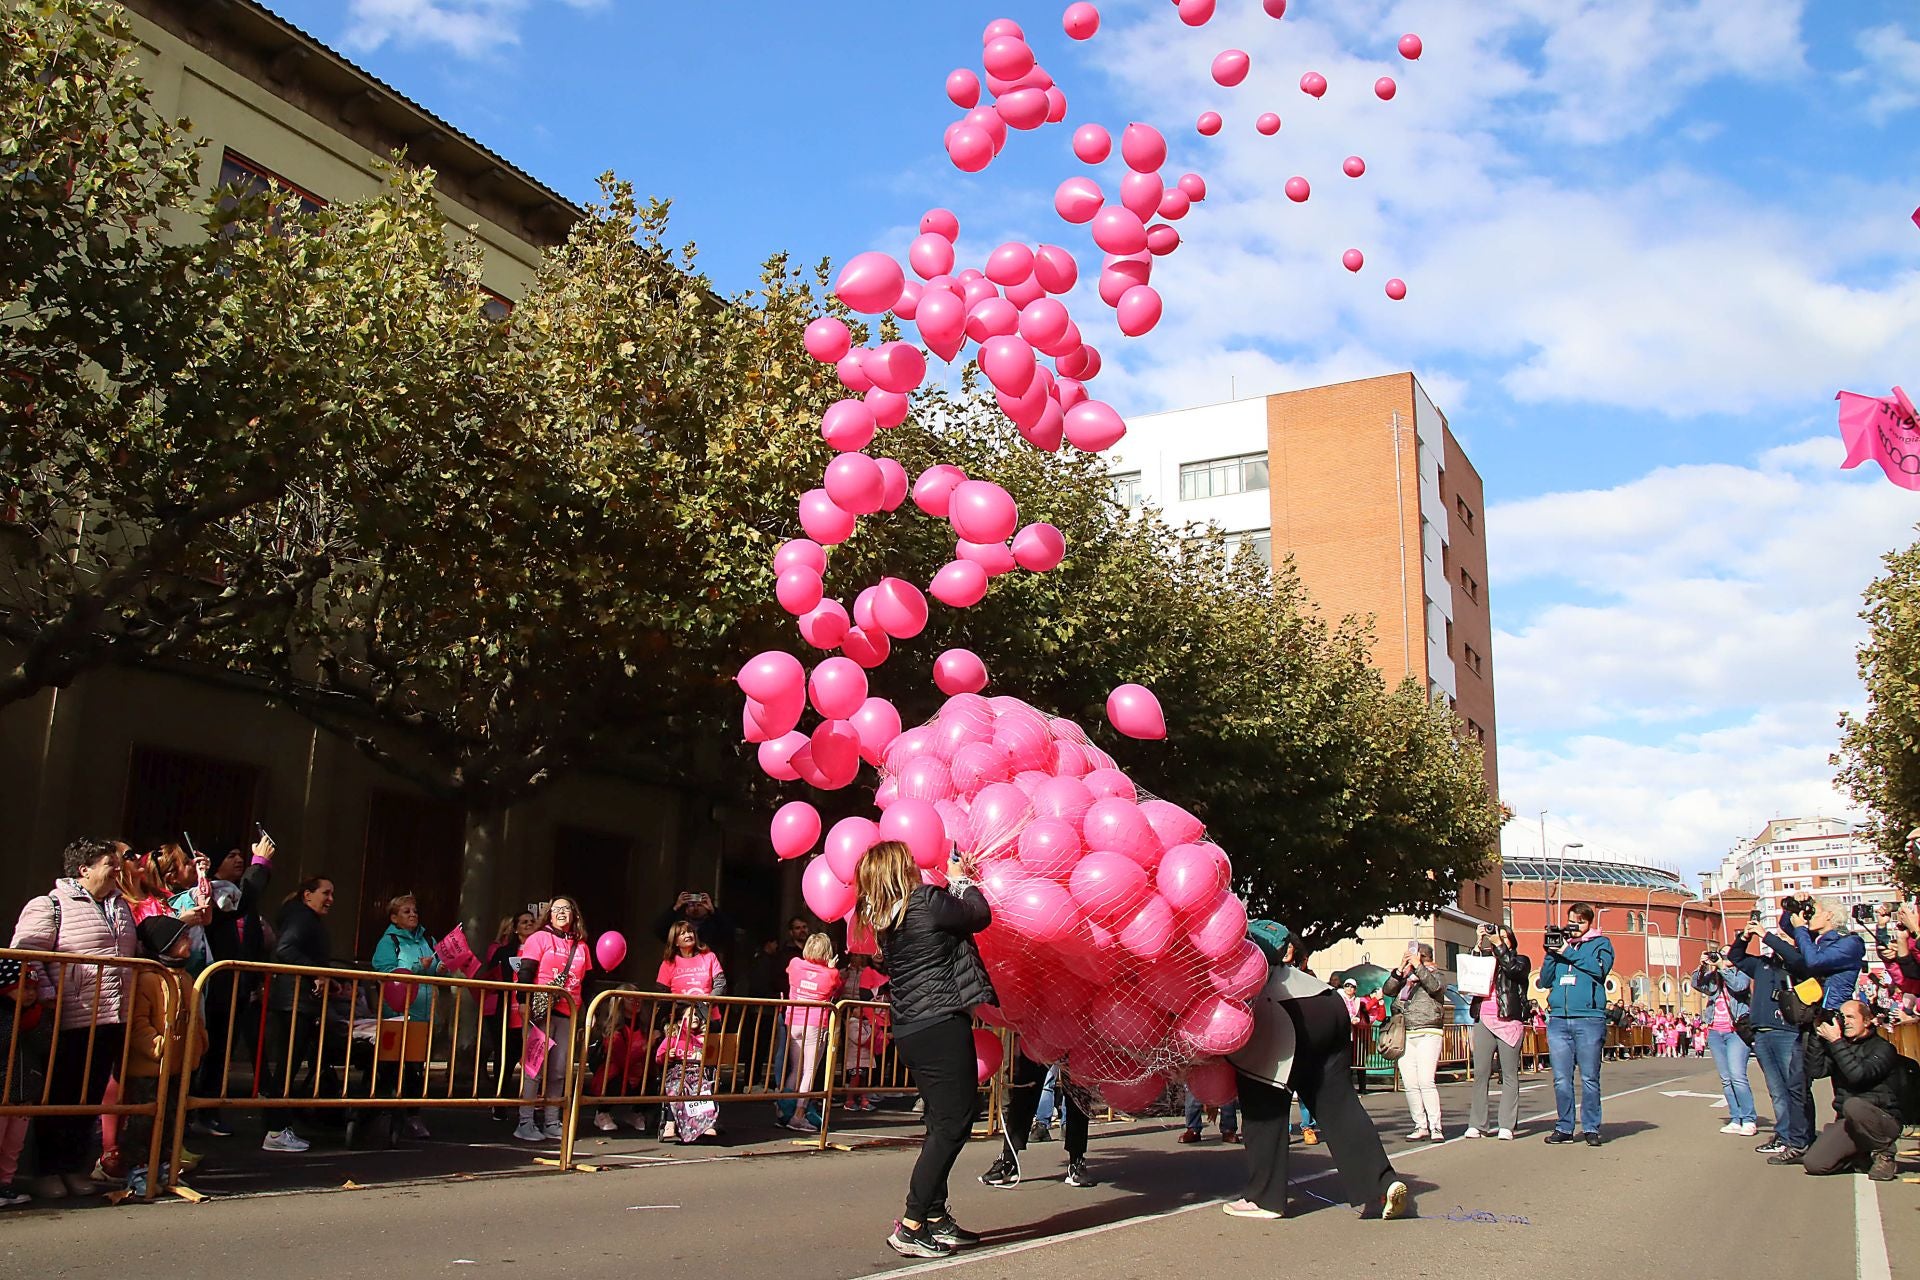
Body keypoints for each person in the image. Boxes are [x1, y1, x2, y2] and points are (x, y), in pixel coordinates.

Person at [856, 840, 995, 1260]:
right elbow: (979, 916)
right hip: (939, 1022)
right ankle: (913, 1223)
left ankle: (935, 1216)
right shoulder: (926, 901)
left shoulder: (887, 917)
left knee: (940, 1121)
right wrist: (960, 880)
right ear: (903, 869)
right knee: (954, 1122)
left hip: (912, 1028)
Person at [1223, 920, 1408, 1221]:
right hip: (1327, 1002)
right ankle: (1381, 1184)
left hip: (1285, 1011)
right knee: (1339, 1105)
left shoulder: (1239, 956)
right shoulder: (1288, 965)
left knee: (1263, 1104)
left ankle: (1264, 1199)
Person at [9, 838, 139, 1196]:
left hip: (112, 1017)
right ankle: (48, 1172)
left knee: (89, 1095)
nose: (117, 870)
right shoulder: (49, 905)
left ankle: (74, 1169)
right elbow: (26, 953)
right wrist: (51, 997)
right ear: (84, 869)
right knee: (59, 1095)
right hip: (67, 1018)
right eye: (109, 864)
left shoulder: (121, 906)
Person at [190, 832, 275, 1126]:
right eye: (231, 856)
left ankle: (208, 1110)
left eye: (241, 855)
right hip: (210, 987)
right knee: (199, 1052)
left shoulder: (242, 899)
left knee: (221, 1053)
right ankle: (188, 1114)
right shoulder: (209, 892)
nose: (238, 860)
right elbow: (242, 901)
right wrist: (260, 863)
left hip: (237, 989)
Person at [121, 915, 207, 1196]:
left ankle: (166, 1168)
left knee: (173, 1118)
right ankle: (139, 1170)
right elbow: (138, 1024)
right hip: (150, 1066)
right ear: (165, 944)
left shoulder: (187, 977)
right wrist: (159, 1047)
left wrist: (199, 1044)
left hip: (179, 1065)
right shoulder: (147, 979)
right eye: (182, 937)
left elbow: (196, 1020)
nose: (188, 941)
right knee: (144, 1120)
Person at [1731, 917, 1813, 1160]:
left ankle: (1803, 1136)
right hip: (1763, 1031)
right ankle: (1786, 1135)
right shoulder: (1763, 965)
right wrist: (1745, 937)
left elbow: (1797, 958)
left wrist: (1768, 936)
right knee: (1777, 1090)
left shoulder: (1797, 965)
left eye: (1785, 937)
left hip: (1787, 1030)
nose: (1779, 941)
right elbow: (1736, 957)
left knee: (1795, 1087)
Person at [262, 876, 332, 1155]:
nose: (330, 899)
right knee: (287, 1066)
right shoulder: (302, 918)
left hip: (298, 1000)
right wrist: (315, 971)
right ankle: (276, 1130)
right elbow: (285, 949)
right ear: (307, 895)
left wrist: (328, 977)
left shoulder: (303, 917)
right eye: (325, 893)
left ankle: (279, 1126)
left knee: (288, 1066)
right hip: (295, 1001)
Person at [1799, 1000, 1906, 1179]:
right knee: (1814, 1163)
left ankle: (1885, 1154)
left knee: (1854, 1105)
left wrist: (1836, 1041)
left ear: (1866, 1021)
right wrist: (1818, 1038)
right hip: (1849, 1122)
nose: (1846, 1022)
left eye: (1851, 1017)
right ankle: (1859, 1156)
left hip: (1883, 1120)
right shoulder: (1839, 1045)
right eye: (1843, 1017)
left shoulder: (1883, 1048)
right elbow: (1816, 1071)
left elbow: (1858, 1075)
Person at [513, 896, 590, 1143]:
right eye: (556, 909)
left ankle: (551, 1120)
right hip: (542, 1012)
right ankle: (525, 1121)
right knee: (534, 1068)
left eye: (566, 909)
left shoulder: (582, 946)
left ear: (574, 915)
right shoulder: (538, 939)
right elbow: (525, 972)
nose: (561, 913)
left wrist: (590, 1011)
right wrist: (523, 1002)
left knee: (558, 1071)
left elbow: (589, 982)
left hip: (569, 1012)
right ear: (549, 914)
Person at [1537, 900, 1613, 1146]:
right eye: (1572, 921)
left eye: (1581, 922)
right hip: (1559, 1018)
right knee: (1561, 1078)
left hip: (1589, 1018)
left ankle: (1591, 1127)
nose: (1575, 926)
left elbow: (1599, 970)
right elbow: (1546, 980)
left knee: (1589, 1077)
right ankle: (1565, 1127)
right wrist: (1551, 952)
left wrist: (1568, 952)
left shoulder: (1601, 944)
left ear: (1589, 922)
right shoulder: (1562, 944)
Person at [369, 893, 442, 1140]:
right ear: (394, 918)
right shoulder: (389, 941)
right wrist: (415, 968)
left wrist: (441, 966)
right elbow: (386, 971)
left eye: (415, 911)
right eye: (406, 911)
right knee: (391, 1067)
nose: (413, 914)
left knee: (415, 1068)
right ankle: (383, 1114)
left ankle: (412, 1116)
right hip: (397, 1014)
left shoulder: (427, 939)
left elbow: (436, 966)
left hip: (423, 1013)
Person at [980, 1049, 1097, 1189]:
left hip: (1076, 1033)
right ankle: (1008, 1160)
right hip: (1038, 1032)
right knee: (1026, 1086)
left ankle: (1077, 1160)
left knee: (1078, 1088)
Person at [1466, 924, 1531, 1141]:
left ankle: (1507, 1124)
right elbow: (1469, 971)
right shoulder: (1486, 960)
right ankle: (1478, 1124)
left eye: (1504, 937)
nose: (1498, 939)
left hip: (1509, 1020)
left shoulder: (1521, 961)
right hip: (1484, 1018)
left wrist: (1498, 945)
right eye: (1496, 936)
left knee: (1509, 1074)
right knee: (1481, 1074)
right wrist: (1479, 942)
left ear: (1511, 941)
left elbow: (1512, 969)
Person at [1381, 941, 1447, 1141]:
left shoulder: (1436, 974)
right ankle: (1420, 1125)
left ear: (1425, 957)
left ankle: (1436, 1126)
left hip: (1428, 1030)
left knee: (1426, 1081)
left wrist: (1418, 967)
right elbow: (1388, 990)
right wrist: (1400, 969)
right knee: (1410, 1083)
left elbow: (1435, 988)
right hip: (1405, 1032)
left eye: (1416, 957)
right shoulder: (1405, 979)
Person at [778, 932, 841, 1132]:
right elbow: (836, 988)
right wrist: (830, 968)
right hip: (815, 1023)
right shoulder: (831, 974)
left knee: (795, 1069)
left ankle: (784, 1110)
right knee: (809, 1071)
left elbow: (789, 971)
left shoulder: (795, 964)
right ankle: (799, 1114)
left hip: (794, 1020)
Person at [1694, 949, 1758, 1137]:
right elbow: (1698, 985)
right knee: (1726, 1078)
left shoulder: (1742, 972)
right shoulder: (1714, 976)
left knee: (1738, 1076)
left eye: (1727, 955)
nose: (1723, 958)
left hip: (1736, 1031)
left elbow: (1739, 987)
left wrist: (1723, 968)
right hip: (1716, 1031)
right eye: (1720, 955)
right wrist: (1703, 966)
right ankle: (1735, 1118)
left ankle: (1748, 1118)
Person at [474, 911, 534, 1100]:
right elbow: (491, 975)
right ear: (515, 928)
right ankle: (500, 1098)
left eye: (532, 921)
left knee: (534, 1059)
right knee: (505, 1057)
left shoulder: (542, 951)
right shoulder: (504, 951)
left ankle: (531, 1103)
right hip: (509, 1012)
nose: (529, 925)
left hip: (534, 1014)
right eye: (524, 922)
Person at [586, 985, 649, 1134]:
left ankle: (634, 1111)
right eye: (630, 998)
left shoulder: (646, 1025)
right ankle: (602, 1112)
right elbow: (622, 1060)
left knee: (654, 1080)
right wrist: (646, 1046)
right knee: (617, 1080)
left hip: (638, 1073)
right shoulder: (614, 1030)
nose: (636, 1001)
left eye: (638, 997)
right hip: (614, 1075)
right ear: (620, 1002)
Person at [652, 889, 735, 955]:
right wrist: (676, 907)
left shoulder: (714, 924)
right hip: (682, 967)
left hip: (706, 968)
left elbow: (729, 933)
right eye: (691, 905)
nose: (695, 908)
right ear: (686, 909)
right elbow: (659, 930)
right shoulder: (679, 925)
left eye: (699, 905)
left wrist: (713, 911)